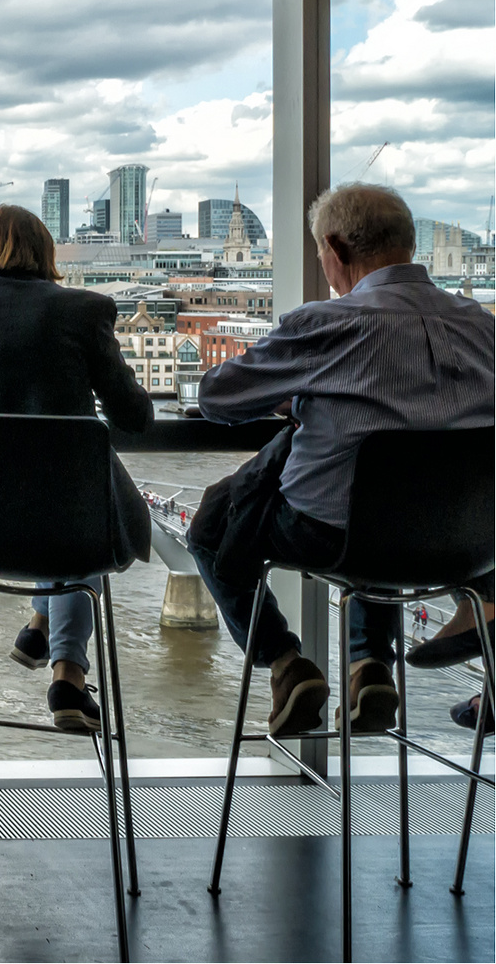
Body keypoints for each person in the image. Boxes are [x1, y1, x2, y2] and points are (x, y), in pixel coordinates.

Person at [186, 183, 495, 736]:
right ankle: (369, 666)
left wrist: (303, 392)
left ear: (335, 247)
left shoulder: (325, 324)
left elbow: (216, 398)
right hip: (468, 541)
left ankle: (286, 662)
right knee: (383, 510)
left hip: (332, 534)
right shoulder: (484, 328)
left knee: (215, 526)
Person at [0, 205, 153, 733]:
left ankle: (41, 623)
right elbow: (134, 417)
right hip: (71, 526)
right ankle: (68, 671)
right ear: (46, 252)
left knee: (59, 499)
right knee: (75, 501)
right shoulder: (88, 309)